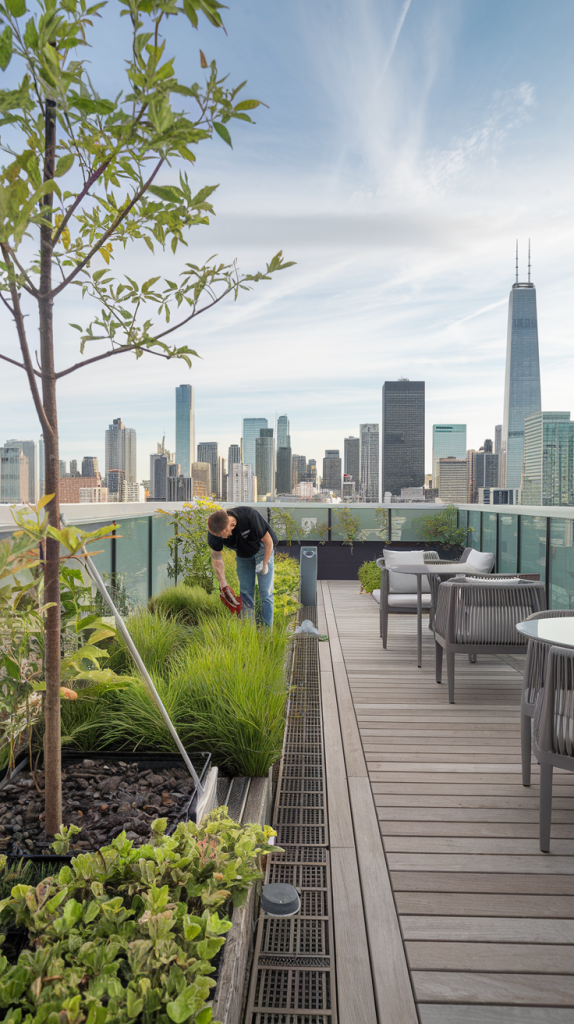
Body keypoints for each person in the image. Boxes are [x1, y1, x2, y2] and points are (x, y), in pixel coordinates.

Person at [207, 506, 277, 627]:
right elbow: (216, 556)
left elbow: (268, 542)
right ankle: (248, 634)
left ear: (232, 524)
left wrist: (264, 564)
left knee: (265, 593)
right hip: (243, 553)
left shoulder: (249, 515)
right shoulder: (215, 530)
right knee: (245, 594)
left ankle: (267, 636)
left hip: (262, 549)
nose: (223, 538)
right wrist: (223, 583)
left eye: (224, 533)